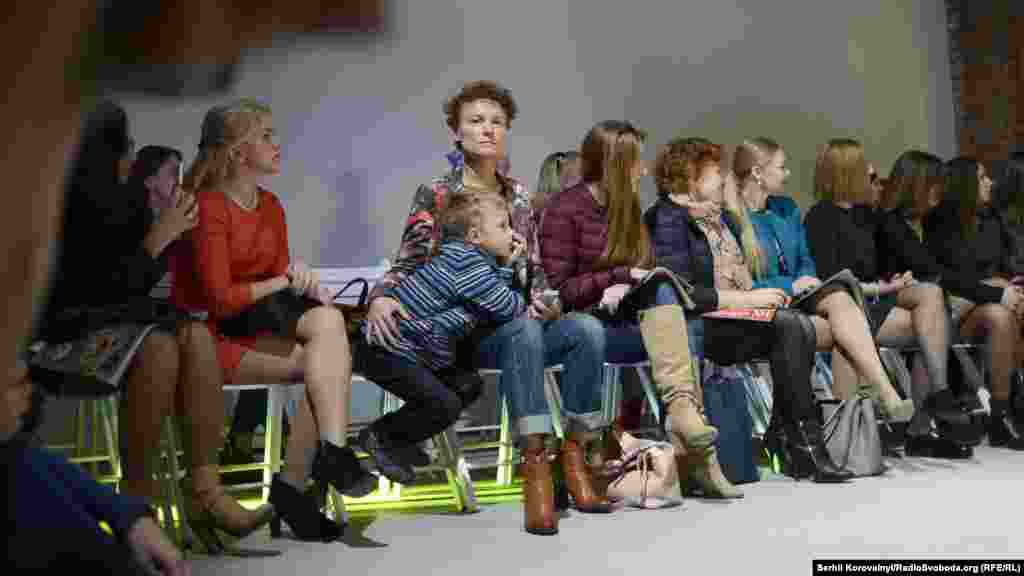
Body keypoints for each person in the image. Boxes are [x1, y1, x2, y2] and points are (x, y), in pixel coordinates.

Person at [367, 81, 610, 536]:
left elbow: (535, 271)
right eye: (476, 121)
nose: (487, 129)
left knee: (587, 330)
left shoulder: (519, 197)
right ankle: (534, 465)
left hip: (513, 318)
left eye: (497, 122)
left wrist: (549, 302)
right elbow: (409, 260)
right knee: (524, 330)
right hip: (461, 333)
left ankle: (577, 455)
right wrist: (381, 295)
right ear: (456, 133)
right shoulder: (438, 194)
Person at [35, 100, 277, 549]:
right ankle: (137, 505)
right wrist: (159, 238)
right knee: (160, 345)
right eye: (124, 147)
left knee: (194, 334)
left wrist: (168, 236)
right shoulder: (65, 206)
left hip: (115, 332)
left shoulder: (124, 205)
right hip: (60, 343)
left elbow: (139, 289)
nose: (131, 157)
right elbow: (95, 293)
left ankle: (205, 490)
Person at [172, 99, 372, 542]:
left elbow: (274, 288)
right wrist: (284, 279)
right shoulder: (209, 207)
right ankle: (300, 484)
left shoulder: (272, 206)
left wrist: (301, 280)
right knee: (330, 363)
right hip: (210, 341)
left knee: (328, 335)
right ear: (237, 152)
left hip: (256, 330)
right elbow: (220, 301)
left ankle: (322, 460)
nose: (277, 144)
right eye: (265, 136)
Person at [541, 121, 747, 497]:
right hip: (582, 327)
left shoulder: (626, 207)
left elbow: (643, 267)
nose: (645, 170)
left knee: (671, 299)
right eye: (638, 162)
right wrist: (617, 278)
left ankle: (686, 424)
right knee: (675, 314)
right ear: (616, 163)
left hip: (623, 318)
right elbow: (560, 291)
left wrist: (632, 283)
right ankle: (696, 452)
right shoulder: (564, 209)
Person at [739, 140, 970, 456]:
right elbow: (824, 275)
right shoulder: (816, 217)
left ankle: (934, 400)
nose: (877, 182)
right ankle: (866, 423)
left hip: (839, 295)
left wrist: (888, 282)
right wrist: (795, 284)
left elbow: (807, 261)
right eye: (869, 174)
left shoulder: (793, 209)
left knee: (930, 304)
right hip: (814, 298)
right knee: (851, 315)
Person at [643, 136, 851, 482]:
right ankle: (800, 444)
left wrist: (757, 296)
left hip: (730, 316)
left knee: (796, 325)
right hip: (696, 327)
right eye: (714, 171)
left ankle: (797, 438)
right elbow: (683, 292)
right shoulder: (667, 219)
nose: (722, 177)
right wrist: (748, 300)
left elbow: (739, 279)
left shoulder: (718, 217)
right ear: (691, 177)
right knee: (790, 326)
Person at [353, 193, 524, 484]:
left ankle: (402, 439)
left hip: (407, 349)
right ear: (475, 236)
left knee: (467, 385)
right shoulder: (468, 265)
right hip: (387, 350)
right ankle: (382, 436)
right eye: (503, 226)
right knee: (443, 404)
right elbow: (509, 307)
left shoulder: (462, 257)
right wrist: (508, 267)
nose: (512, 234)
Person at [804, 139, 952, 427]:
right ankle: (921, 420)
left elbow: (894, 260)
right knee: (929, 330)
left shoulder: (867, 215)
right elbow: (832, 281)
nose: (874, 177)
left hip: (876, 296)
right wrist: (883, 287)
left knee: (930, 297)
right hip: (849, 302)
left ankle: (939, 395)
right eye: (867, 170)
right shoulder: (820, 218)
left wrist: (893, 279)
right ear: (848, 172)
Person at [924, 155, 1024, 449]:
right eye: (982, 177)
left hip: (997, 300)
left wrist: (1010, 284)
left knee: (1006, 312)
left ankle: (1011, 406)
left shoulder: (992, 219)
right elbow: (949, 279)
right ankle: (1002, 413)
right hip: (955, 309)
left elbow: (1008, 265)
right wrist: (994, 287)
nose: (990, 182)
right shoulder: (939, 224)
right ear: (965, 184)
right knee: (1000, 315)